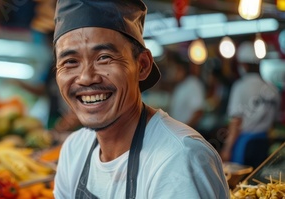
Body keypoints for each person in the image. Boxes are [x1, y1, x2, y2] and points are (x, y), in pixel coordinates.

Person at [52, 0, 230, 198]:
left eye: (104, 57)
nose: (86, 77)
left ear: (143, 65)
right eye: (70, 62)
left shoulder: (178, 159)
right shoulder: (74, 150)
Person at [220, 41, 280, 168]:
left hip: (245, 145)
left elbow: (236, 121)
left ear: (243, 65)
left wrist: (227, 149)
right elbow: (273, 123)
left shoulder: (240, 87)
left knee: (243, 184)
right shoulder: (272, 89)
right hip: (264, 144)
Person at [169, 55, 205, 129]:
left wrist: (186, 129)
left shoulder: (193, 84)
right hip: (177, 131)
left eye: (175, 69)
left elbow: (198, 111)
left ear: (182, 70)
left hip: (187, 132)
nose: (173, 72)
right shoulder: (180, 86)